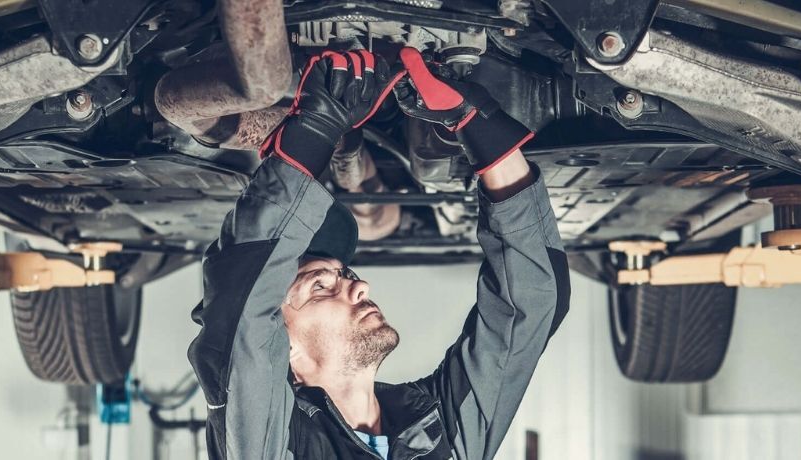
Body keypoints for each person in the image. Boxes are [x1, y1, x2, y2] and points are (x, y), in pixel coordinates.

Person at [187, 47, 570, 459]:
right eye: (325, 283)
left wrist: (315, 129)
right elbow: (529, 308)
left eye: (329, 282)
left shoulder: (273, 448)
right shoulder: (434, 437)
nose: (360, 285)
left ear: (286, 350)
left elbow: (240, 315)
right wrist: (482, 128)